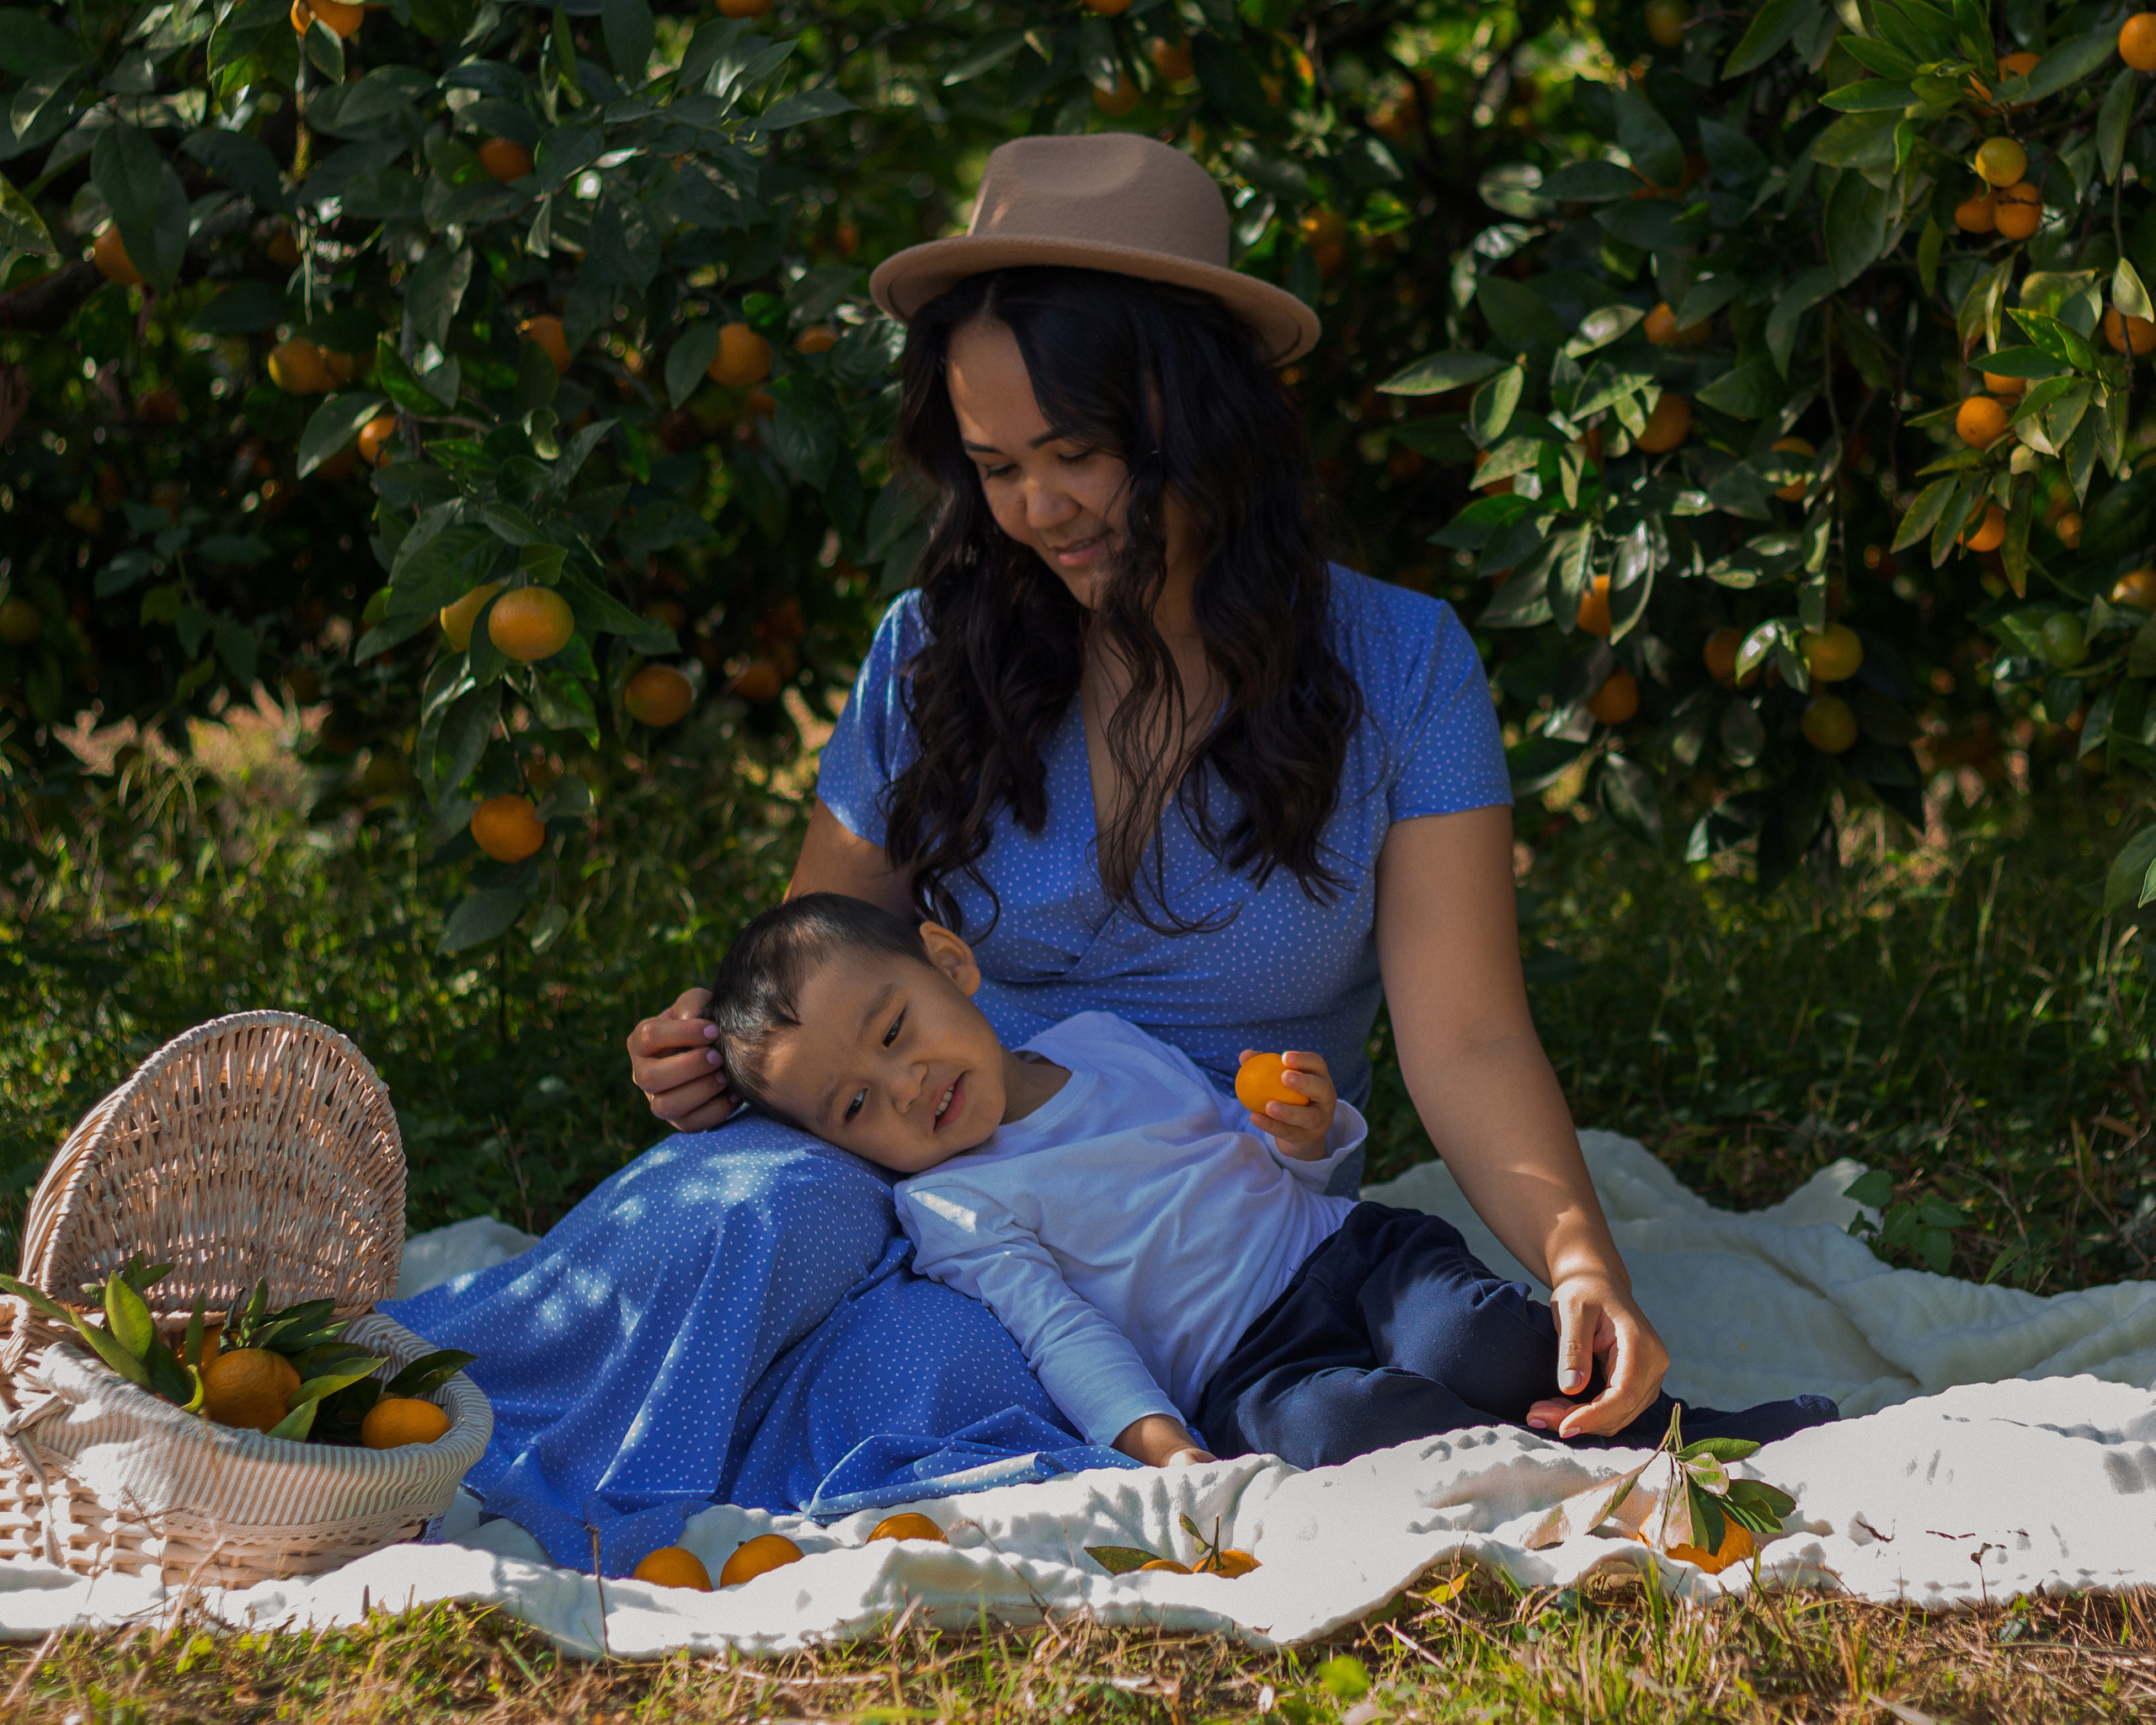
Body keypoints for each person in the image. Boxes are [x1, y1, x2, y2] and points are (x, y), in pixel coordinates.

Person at [391, 131, 1685, 1572]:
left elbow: (1470, 1041)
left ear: (1202, 420)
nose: (1038, 511)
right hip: (941, 1171)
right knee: (747, 1213)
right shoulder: (937, 652)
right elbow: (824, 958)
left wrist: (1580, 1262)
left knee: (946, 1377)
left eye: (1078, 454)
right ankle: (394, 1419)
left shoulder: (1400, 667)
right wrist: (710, 1051)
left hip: (1204, 1235)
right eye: (998, 465)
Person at [704, 893, 1836, 1468]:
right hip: (1243, 1368)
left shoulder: (1102, 1042)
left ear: (951, 964)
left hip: (1348, 1256)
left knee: (1477, 1344)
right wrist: (1157, 1441)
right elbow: (1058, 1333)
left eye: (896, 1029)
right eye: (856, 1106)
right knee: (1363, 1426)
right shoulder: (948, 1202)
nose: (903, 1087)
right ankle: (1575, 1483)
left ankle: (1705, 1436)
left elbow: (1267, 1165)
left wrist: (1310, 1131)